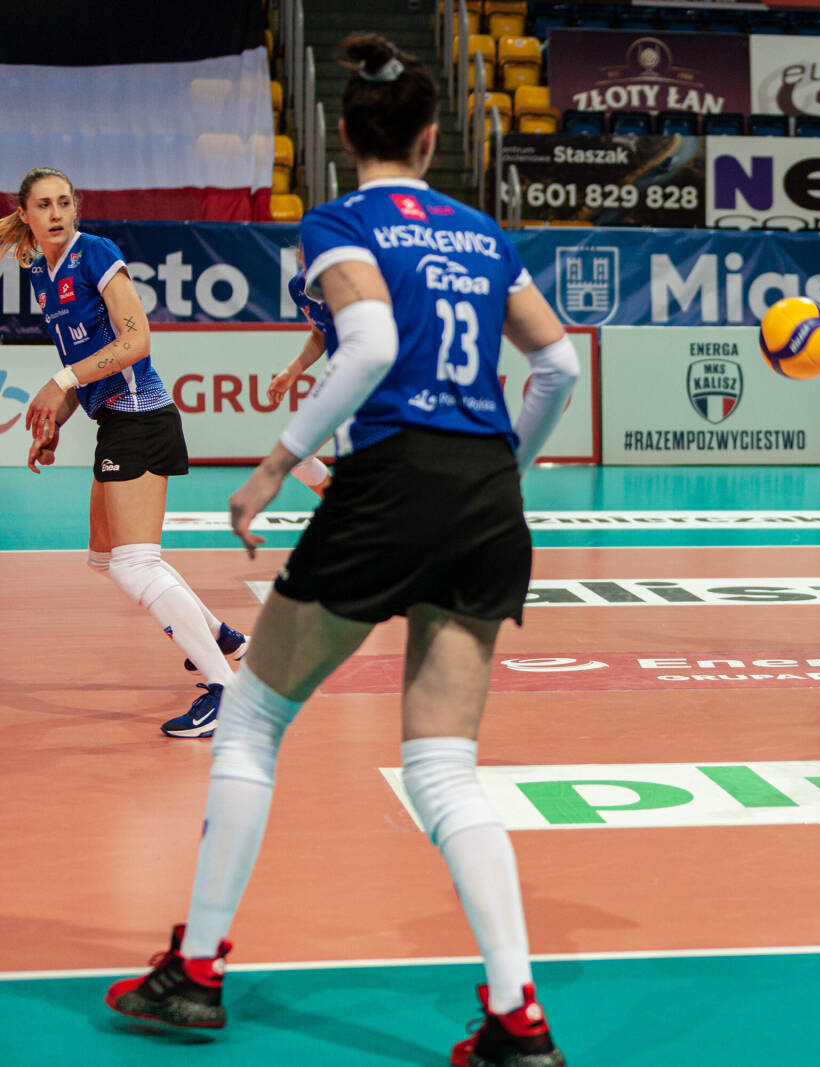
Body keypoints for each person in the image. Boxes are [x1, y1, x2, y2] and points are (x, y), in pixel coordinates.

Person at [103, 34, 580, 1067]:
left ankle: (195, 972)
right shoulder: (482, 231)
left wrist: (276, 463)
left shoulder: (343, 222)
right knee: (445, 767)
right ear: (432, 135)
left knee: (252, 719)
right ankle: (518, 1020)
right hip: (484, 498)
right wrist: (503, 465)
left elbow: (367, 344)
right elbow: (560, 366)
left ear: (346, 138)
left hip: (391, 483)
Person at [1, 166, 246, 739]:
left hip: (141, 417)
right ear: (27, 214)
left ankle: (225, 691)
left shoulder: (96, 253)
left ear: (76, 207)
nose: (56, 214)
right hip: (113, 420)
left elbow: (136, 341)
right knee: (106, 557)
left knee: (135, 562)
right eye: (44, 205)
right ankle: (222, 637)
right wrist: (56, 421)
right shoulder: (40, 273)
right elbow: (81, 366)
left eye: (64, 202)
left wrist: (59, 382)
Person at [264, 244, 338, 497]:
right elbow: (320, 335)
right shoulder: (299, 287)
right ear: (299, 256)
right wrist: (291, 372)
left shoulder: (359, 287)